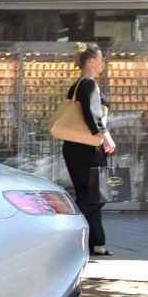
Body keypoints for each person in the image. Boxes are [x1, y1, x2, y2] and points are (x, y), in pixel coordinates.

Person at [60, 43, 116, 256]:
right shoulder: (89, 85)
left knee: (90, 192)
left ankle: (95, 243)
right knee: (96, 195)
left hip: (75, 148)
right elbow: (94, 116)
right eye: (101, 60)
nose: (103, 64)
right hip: (88, 148)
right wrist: (106, 138)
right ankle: (67, 227)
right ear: (91, 61)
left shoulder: (77, 86)